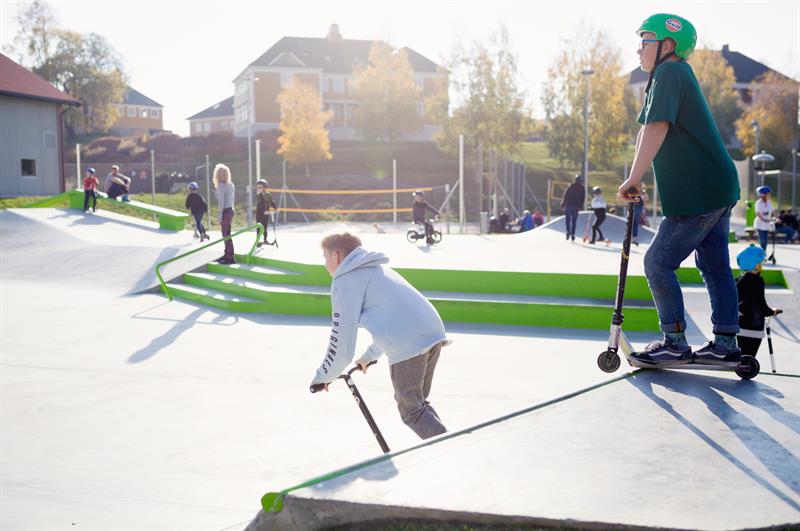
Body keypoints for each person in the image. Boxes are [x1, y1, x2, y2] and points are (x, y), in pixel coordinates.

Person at [618, 14, 742, 366]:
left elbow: (657, 127)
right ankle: (726, 344)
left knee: (658, 262)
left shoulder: (670, 73)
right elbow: (647, 129)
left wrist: (633, 177)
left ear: (667, 45)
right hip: (715, 185)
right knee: (715, 264)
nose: (639, 49)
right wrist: (635, 174)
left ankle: (674, 340)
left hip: (699, 193)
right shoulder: (668, 76)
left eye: (646, 41)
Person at [310, 233, 449, 440]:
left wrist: (322, 377)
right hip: (432, 334)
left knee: (412, 412)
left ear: (337, 256)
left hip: (409, 345)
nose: (324, 264)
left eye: (325, 257)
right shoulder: (378, 270)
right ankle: (448, 442)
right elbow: (395, 322)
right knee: (418, 405)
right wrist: (369, 356)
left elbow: (341, 344)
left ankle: (450, 449)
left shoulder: (345, 281)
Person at [735, 245, 782, 357]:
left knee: (741, 354)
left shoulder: (737, 279)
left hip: (738, 325)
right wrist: (771, 312)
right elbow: (760, 303)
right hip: (753, 326)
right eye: (760, 262)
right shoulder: (757, 281)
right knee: (749, 356)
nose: (762, 265)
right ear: (755, 264)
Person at [213, 164, 235, 264]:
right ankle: (227, 254)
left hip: (225, 212)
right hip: (230, 210)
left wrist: (219, 215)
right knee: (227, 234)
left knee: (226, 234)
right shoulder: (231, 184)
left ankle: (229, 257)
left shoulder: (221, 186)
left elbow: (221, 201)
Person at [561, 174, 585, 241]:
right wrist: (581, 206)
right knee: (574, 221)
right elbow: (583, 198)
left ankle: (568, 232)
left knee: (567, 220)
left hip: (568, 205)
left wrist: (563, 204)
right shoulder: (582, 188)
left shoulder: (570, 186)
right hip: (576, 206)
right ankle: (573, 234)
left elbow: (565, 195)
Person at [255, 179, 278, 247]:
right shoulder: (258, 195)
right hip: (259, 214)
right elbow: (260, 204)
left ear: (265, 187)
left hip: (266, 214)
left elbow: (271, 202)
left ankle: (265, 239)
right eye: (258, 187)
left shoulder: (268, 195)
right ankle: (257, 241)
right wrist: (264, 212)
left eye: (260, 187)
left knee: (265, 227)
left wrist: (275, 208)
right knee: (259, 228)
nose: (259, 189)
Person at [755, 185, 773, 250]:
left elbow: (772, 212)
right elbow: (758, 213)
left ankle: (764, 254)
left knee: (765, 241)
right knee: (762, 240)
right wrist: (763, 219)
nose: (769, 195)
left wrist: (776, 218)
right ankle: (762, 254)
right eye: (768, 194)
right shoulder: (758, 203)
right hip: (760, 224)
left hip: (767, 225)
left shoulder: (769, 203)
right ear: (763, 195)